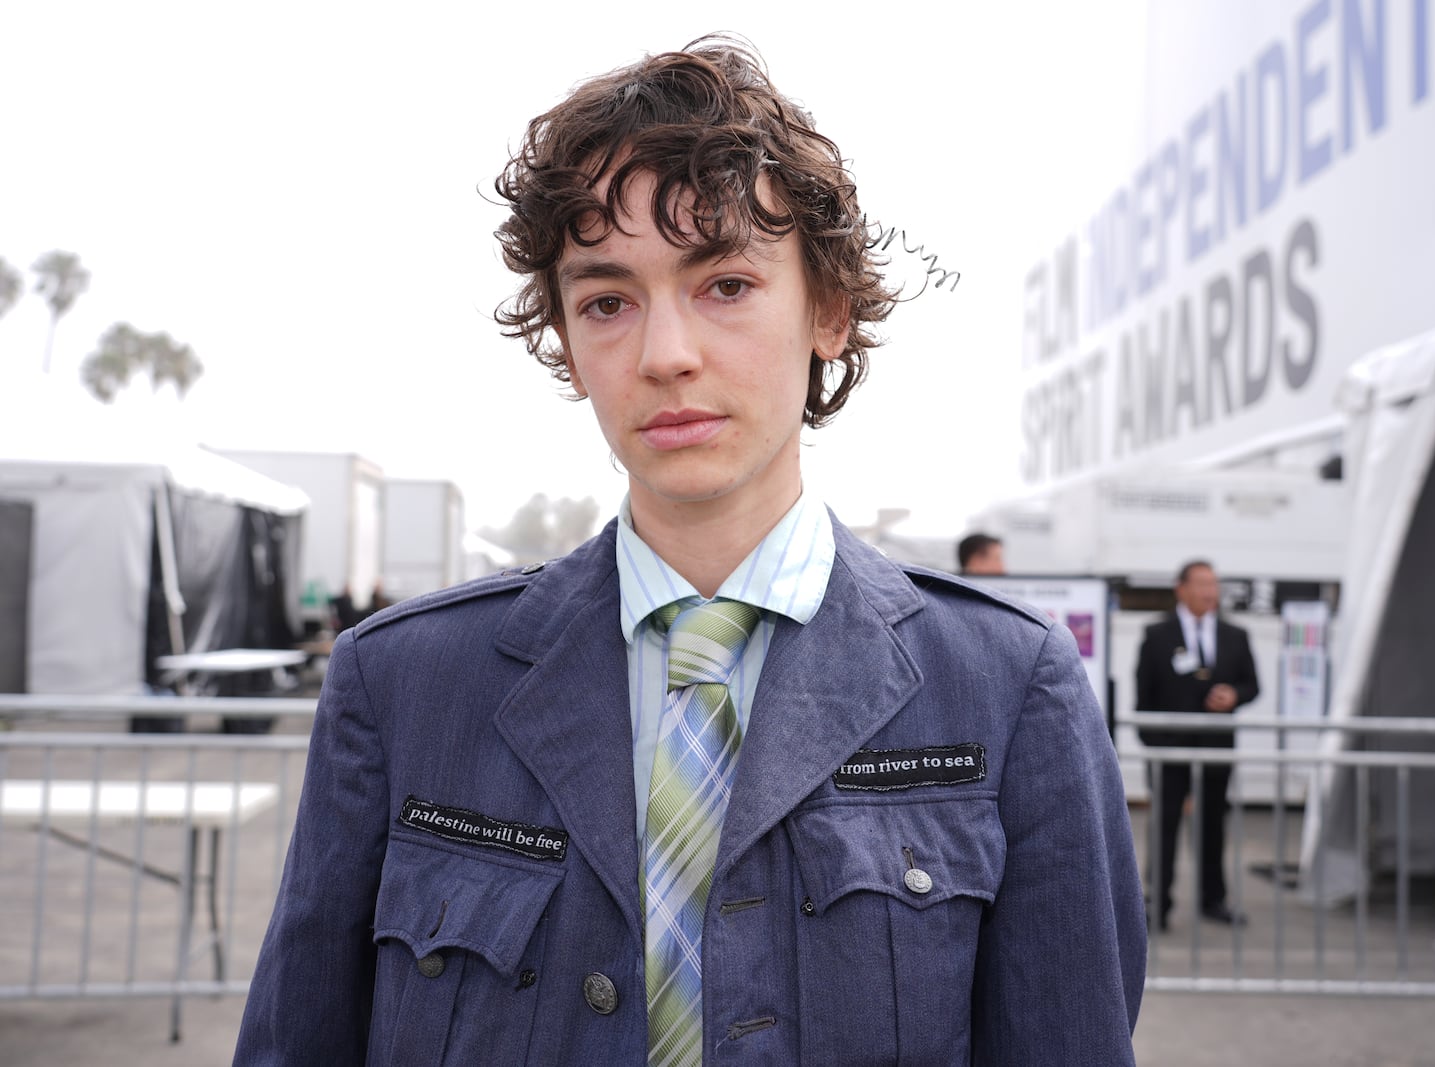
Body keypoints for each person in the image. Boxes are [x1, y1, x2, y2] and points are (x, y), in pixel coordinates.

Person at [235, 36, 1143, 1066]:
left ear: (829, 310)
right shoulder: (401, 685)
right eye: (608, 301)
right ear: (570, 346)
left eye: (724, 284)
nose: (665, 353)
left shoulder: (1005, 687)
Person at [1136, 559, 1259, 931]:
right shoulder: (1157, 634)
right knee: (1165, 827)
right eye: (1202, 583)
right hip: (1170, 751)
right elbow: (1145, 696)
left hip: (1216, 748)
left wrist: (1233, 695)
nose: (1210, 592)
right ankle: (1157, 903)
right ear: (1181, 588)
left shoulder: (1235, 635)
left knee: (1211, 827)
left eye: (1214, 584)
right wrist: (1155, 744)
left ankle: (1213, 899)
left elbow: (1252, 685)